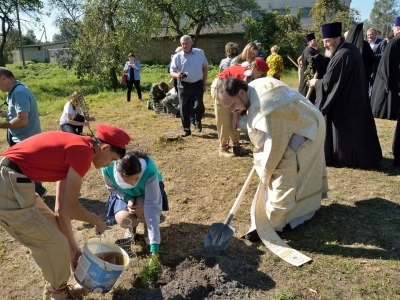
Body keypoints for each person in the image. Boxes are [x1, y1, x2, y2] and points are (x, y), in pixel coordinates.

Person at [0, 124, 130, 300]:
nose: (110, 164)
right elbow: (71, 208)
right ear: (105, 148)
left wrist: (73, 249)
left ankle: (55, 288)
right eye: (112, 159)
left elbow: (61, 210)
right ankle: (59, 294)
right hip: (7, 185)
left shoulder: (78, 146)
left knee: (56, 232)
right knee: (53, 243)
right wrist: (97, 221)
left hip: (16, 181)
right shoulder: (82, 152)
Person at [217, 77, 328, 239]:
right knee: (292, 169)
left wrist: (263, 167)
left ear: (241, 92)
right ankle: (301, 209)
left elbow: (272, 150)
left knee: (283, 170)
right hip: (303, 120)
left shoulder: (264, 110)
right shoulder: (253, 86)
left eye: (232, 105)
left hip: (307, 126)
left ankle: (272, 224)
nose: (232, 110)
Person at [309, 22, 382, 169]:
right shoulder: (348, 49)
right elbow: (334, 70)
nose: (325, 45)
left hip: (346, 105)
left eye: (327, 41)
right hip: (353, 101)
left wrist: (316, 83)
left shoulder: (343, 54)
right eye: (324, 42)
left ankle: (346, 157)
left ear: (337, 39)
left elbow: (329, 84)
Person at [102, 150, 168, 255]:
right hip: (124, 194)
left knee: (143, 208)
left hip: (147, 193)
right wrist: (128, 198)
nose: (133, 183)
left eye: (136, 178)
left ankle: (148, 231)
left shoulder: (149, 171)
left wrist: (155, 246)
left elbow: (152, 207)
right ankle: (131, 229)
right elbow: (112, 188)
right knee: (124, 218)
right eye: (127, 181)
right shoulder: (108, 169)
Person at [0, 67, 47, 198]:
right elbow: (13, 114)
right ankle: (35, 192)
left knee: (25, 168)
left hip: (25, 139)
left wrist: (2, 126)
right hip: (21, 138)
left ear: (3, 78)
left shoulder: (19, 93)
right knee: (25, 168)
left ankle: (38, 193)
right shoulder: (15, 91)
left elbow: (22, 120)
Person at [211, 58, 268, 158]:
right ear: (255, 69)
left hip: (229, 90)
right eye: (261, 73)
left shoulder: (248, 71)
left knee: (233, 119)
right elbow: (237, 99)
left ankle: (236, 146)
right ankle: (223, 148)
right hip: (221, 89)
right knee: (224, 119)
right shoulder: (245, 76)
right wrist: (235, 116)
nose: (260, 76)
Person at [170, 35, 208, 137]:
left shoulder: (200, 53)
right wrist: (177, 75)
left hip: (197, 83)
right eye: (183, 44)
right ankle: (186, 129)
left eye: (187, 43)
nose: (185, 45)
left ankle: (197, 120)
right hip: (184, 85)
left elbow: (205, 68)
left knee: (198, 106)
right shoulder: (178, 56)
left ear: (191, 43)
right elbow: (172, 71)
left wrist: (204, 83)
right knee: (184, 108)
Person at [370, 18, 400, 121]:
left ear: (398, 28)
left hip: (387, 77)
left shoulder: (394, 41)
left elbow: (385, 63)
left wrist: (386, 78)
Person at [297, 33, 319, 103]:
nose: (315, 41)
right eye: (313, 40)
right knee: (307, 95)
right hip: (308, 76)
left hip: (314, 76)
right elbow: (309, 61)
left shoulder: (314, 50)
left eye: (315, 40)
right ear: (309, 42)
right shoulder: (307, 50)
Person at [366, 28, 387, 96]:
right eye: (368, 35)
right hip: (368, 68)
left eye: (371, 34)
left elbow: (384, 55)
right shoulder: (367, 43)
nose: (369, 36)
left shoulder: (382, 42)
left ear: (375, 34)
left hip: (377, 68)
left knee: (375, 86)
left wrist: (373, 56)